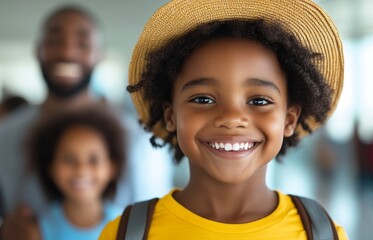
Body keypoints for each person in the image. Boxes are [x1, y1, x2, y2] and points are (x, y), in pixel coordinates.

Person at [99, 0, 348, 239]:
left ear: (289, 119)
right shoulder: (126, 232)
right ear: (171, 116)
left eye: (259, 101)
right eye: (203, 99)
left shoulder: (321, 233)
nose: (231, 118)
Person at [0, 5, 172, 240]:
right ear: (38, 50)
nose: (68, 52)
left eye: (83, 43)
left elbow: (157, 226)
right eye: (54, 40)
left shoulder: (141, 141)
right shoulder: (5, 135)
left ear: (99, 54)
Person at [27, 106, 125, 240]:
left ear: (112, 167)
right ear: (50, 167)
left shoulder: (126, 225)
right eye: (68, 159)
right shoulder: (35, 231)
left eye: (93, 160)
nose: (81, 170)